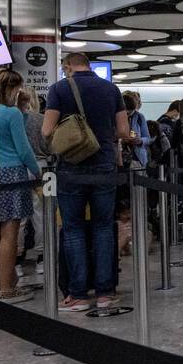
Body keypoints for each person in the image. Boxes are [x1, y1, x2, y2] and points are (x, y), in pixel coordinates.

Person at [43, 52, 129, 311]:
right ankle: (105, 293)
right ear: (89, 66)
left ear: (67, 66)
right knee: (104, 227)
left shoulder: (58, 89)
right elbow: (123, 132)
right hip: (104, 163)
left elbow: (47, 131)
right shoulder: (111, 89)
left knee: (73, 229)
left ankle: (78, 295)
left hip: (70, 167)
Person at [0, 69, 41, 303]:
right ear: (10, 89)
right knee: (9, 235)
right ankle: (7, 289)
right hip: (13, 175)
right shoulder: (11, 113)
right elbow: (23, 149)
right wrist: (38, 172)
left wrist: (21, 111)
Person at [17, 90, 47, 268]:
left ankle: (17, 259)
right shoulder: (40, 119)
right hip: (41, 166)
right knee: (41, 214)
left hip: (18, 168)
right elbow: (48, 146)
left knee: (18, 217)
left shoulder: (11, 118)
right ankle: (43, 257)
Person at [122, 91, 151, 169]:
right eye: (126, 112)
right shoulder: (115, 117)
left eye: (131, 112)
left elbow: (148, 138)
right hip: (120, 158)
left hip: (137, 159)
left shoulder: (139, 117)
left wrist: (140, 140)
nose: (128, 115)